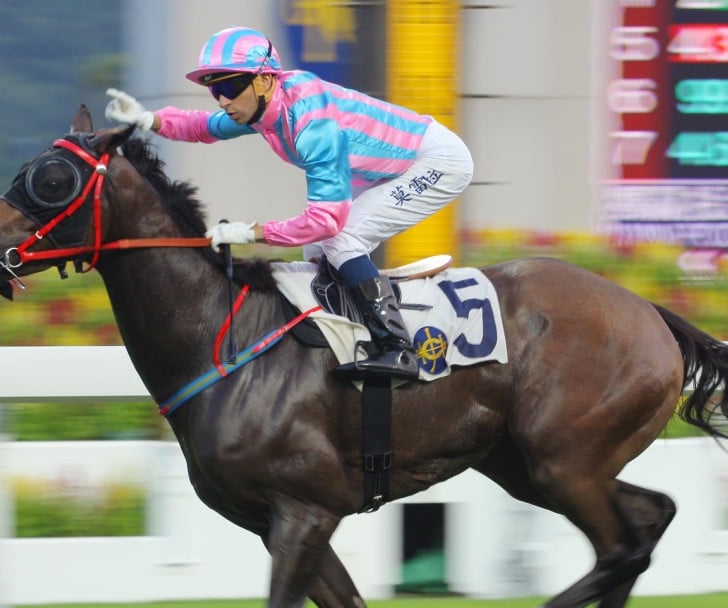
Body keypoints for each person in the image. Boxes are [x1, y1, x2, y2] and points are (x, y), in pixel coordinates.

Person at [105, 26, 473, 380]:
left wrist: (252, 233)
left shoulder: (313, 126)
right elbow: (204, 127)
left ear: (265, 80)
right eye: (215, 90)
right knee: (317, 250)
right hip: (382, 168)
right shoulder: (264, 106)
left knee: (339, 240)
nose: (223, 101)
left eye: (230, 87)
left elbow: (326, 221)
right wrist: (147, 118)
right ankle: (343, 337)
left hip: (436, 161)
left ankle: (397, 347)